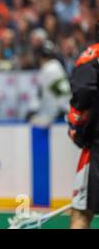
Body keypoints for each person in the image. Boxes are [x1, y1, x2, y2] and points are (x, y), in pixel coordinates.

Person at [68, 39, 99, 229]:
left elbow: (82, 91)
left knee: (81, 214)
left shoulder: (93, 55)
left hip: (97, 148)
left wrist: (77, 129)